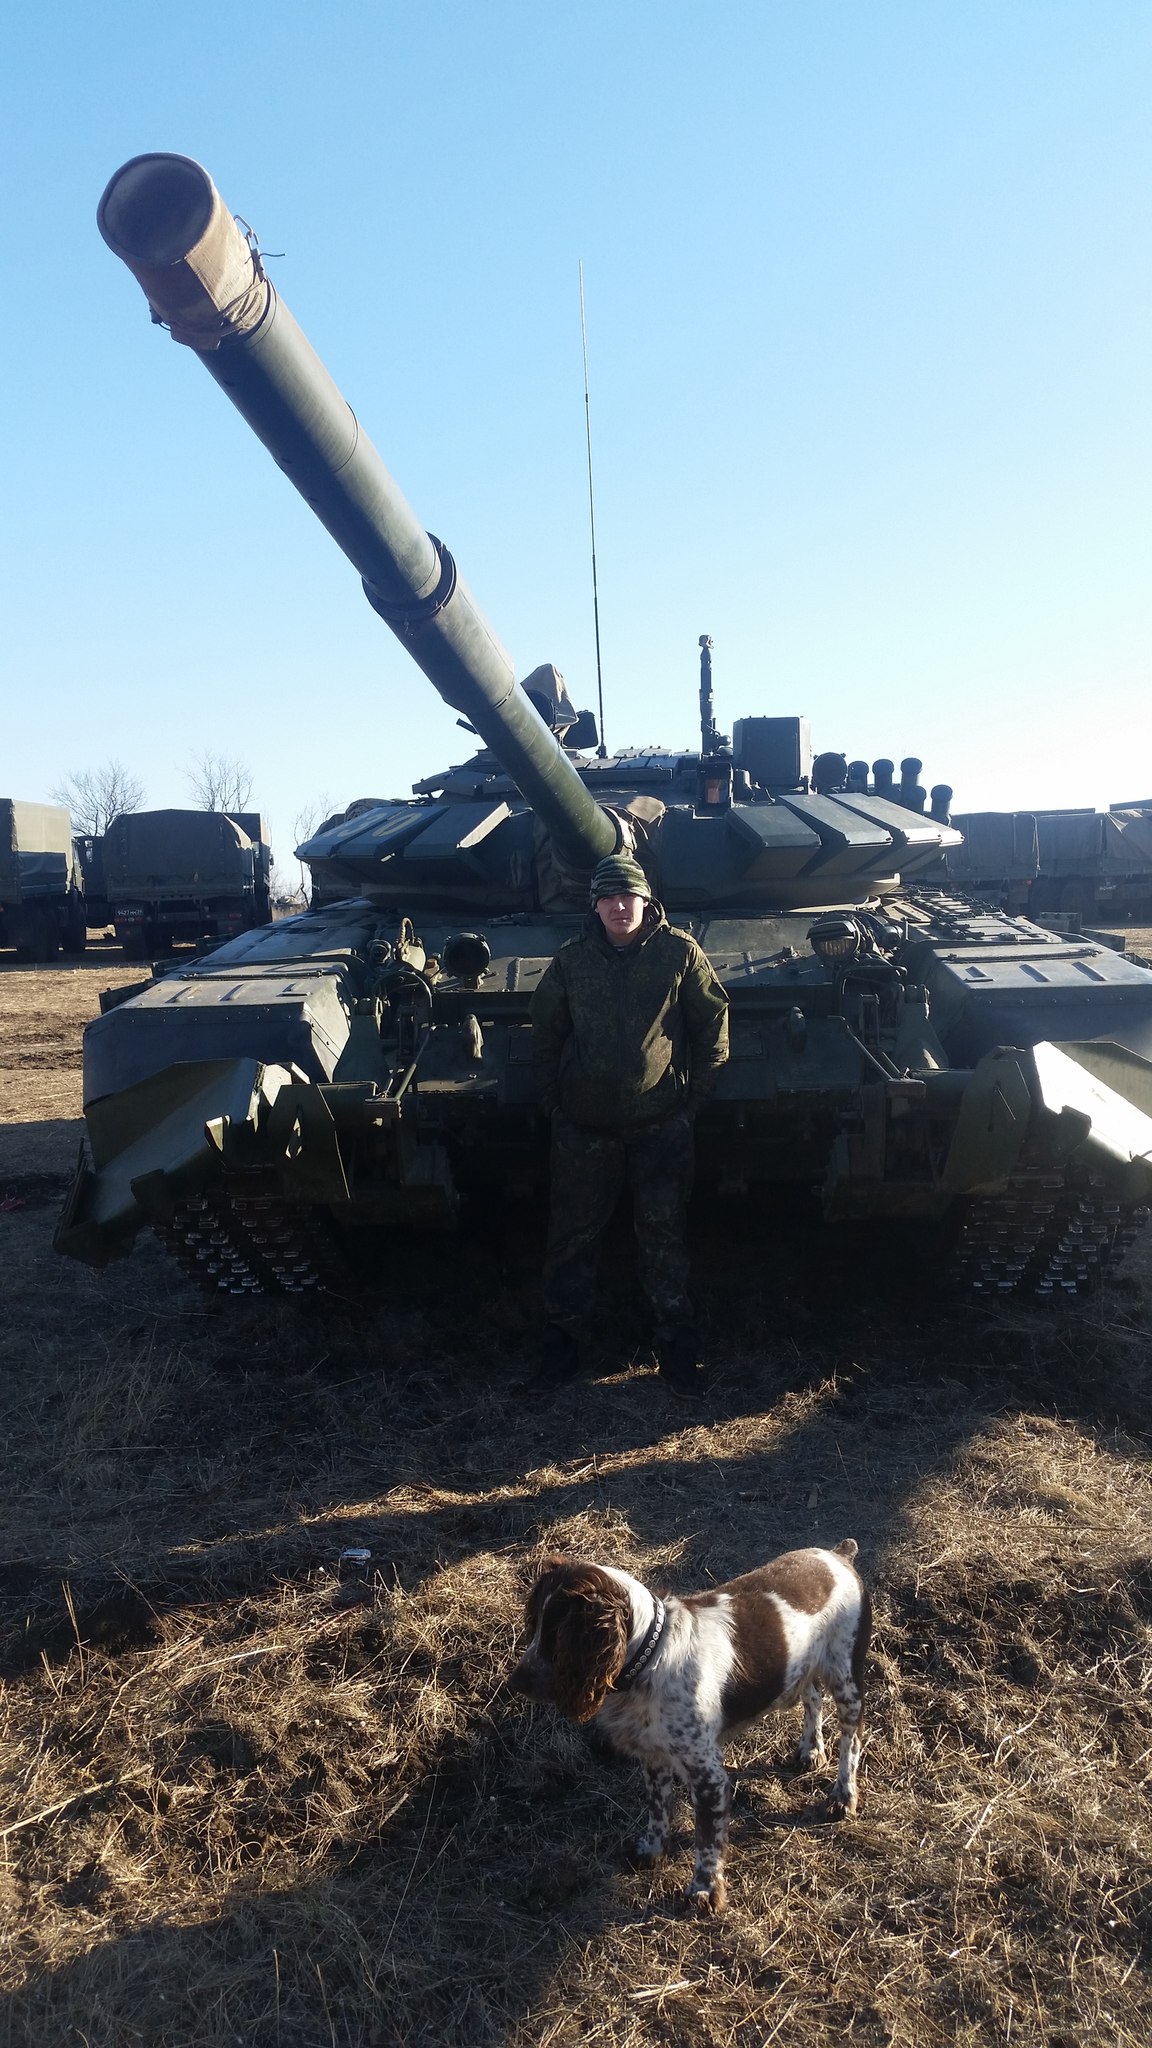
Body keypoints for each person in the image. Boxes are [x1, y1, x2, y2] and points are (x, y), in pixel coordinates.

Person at [529, 850, 730, 1395]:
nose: (620, 906)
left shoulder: (678, 953)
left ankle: (676, 1348)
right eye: (608, 897)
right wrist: (554, 1106)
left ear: (646, 899)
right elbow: (544, 1035)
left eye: (628, 896)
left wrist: (691, 1106)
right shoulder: (572, 959)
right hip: (584, 1129)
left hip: (659, 1125)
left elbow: (713, 1026)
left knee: (663, 1238)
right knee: (570, 1241)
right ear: (594, 905)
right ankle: (561, 1348)